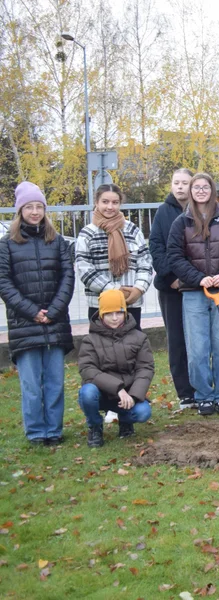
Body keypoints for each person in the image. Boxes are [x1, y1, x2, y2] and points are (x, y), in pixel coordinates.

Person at [167, 172, 219, 416]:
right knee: (197, 347)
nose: (201, 191)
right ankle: (203, 395)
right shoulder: (181, 223)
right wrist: (198, 278)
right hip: (194, 292)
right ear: (191, 191)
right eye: (197, 187)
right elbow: (175, 256)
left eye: (205, 187)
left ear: (213, 191)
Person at [0, 182, 74, 446]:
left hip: (55, 322)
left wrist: (53, 311)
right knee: (31, 385)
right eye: (29, 207)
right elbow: (4, 282)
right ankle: (35, 432)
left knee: (54, 382)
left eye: (39, 206)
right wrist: (32, 312)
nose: (34, 211)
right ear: (20, 210)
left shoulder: (58, 241)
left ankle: (53, 430)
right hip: (24, 323)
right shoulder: (7, 244)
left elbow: (67, 277)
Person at [77, 289, 154, 447]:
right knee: (87, 393)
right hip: (101, 394)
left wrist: (134, 396)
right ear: (101, 314)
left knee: (143, 412)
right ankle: (95, 426)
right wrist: (118, 389)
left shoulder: (140, 338)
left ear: (125, 312)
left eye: (118, 313)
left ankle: (125, 421)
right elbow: (88, 370)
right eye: (109, 313)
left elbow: (145, 369)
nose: (114, 318)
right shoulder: (90, 340)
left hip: (128, 395)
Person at [75, 184, 153, 328]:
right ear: (97, 203)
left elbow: (145, 263)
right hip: (100, 304)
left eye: (115, 202)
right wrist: (114, 290)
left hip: (131, 302)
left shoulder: (132, 230)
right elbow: (84, 269)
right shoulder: (87, 234)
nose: (110, 207)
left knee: (133, 346)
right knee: (103, 348)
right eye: (105, 202)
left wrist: (138, 289)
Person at [149, 168, 195, 409]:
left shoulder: (202, 210)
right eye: (176, 182)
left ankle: (202, 385)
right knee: (177, 340)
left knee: (198, 339)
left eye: (184, 183)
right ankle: (185, 393)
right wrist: (171, 278)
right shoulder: (163, 212)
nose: (180, 187)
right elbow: (156, 247)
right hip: (172, 289)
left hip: (197, 287)